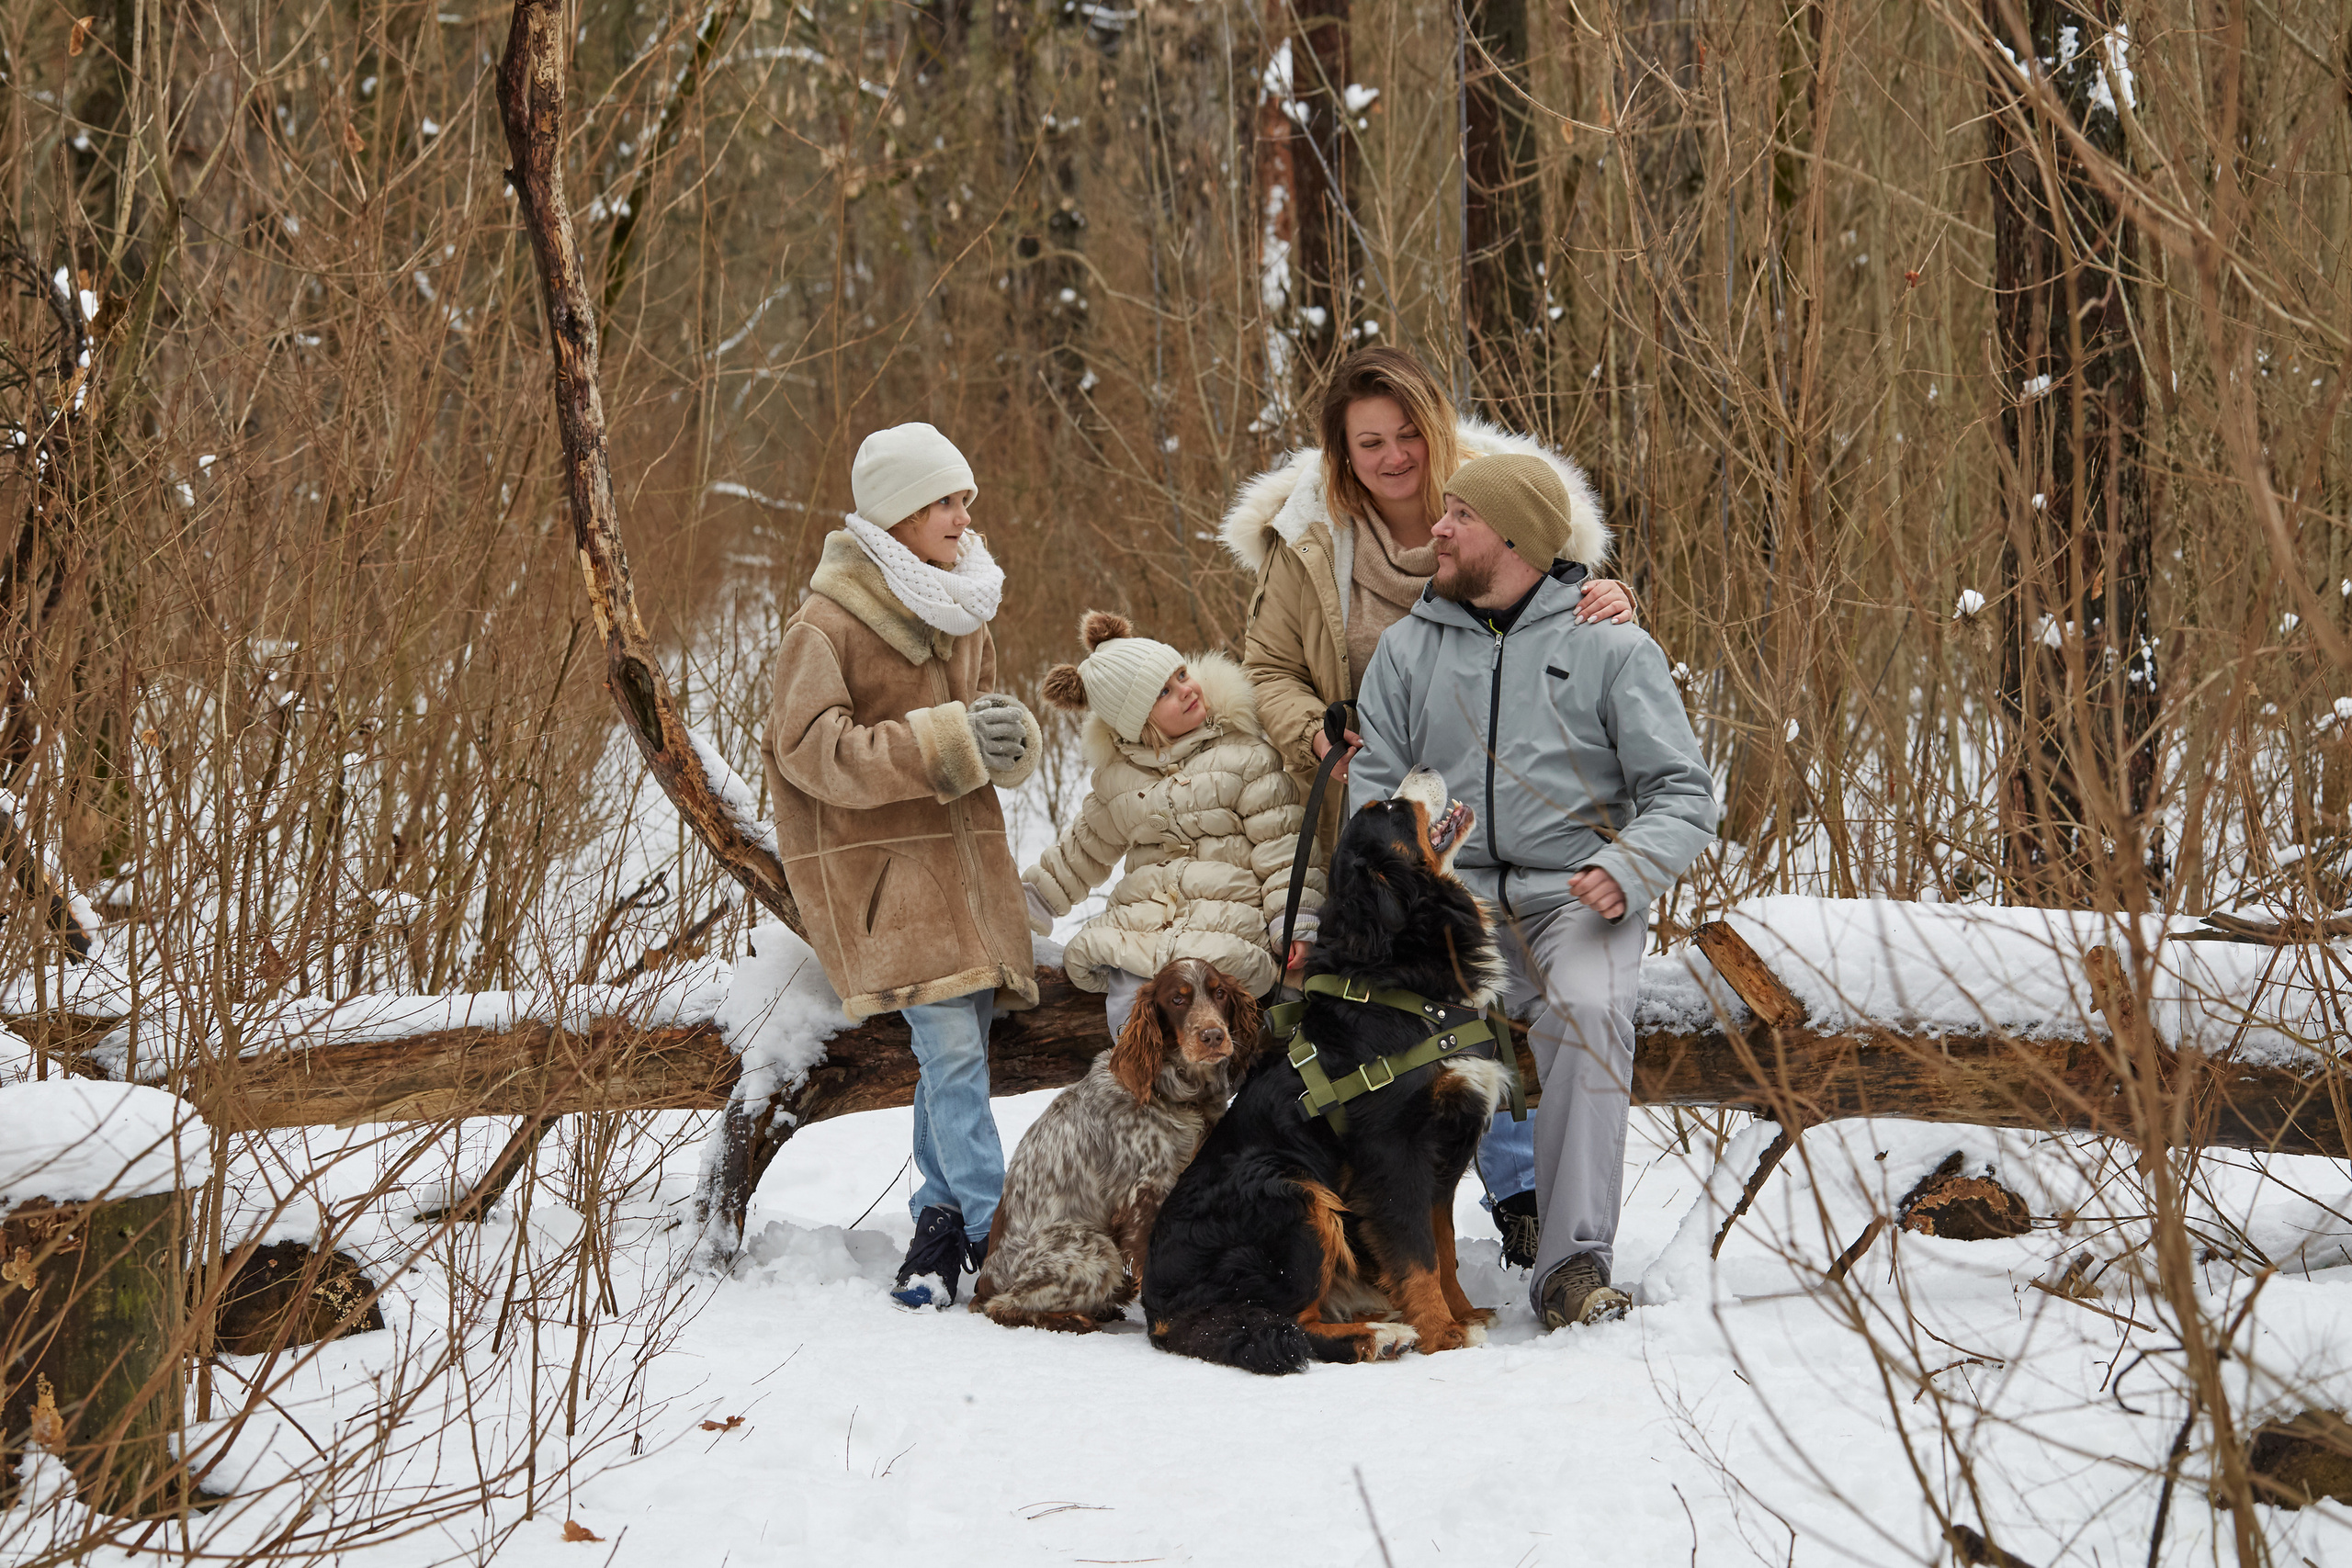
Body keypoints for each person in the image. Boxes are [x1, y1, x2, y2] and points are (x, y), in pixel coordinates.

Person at [1216, 344, 1637, 1267]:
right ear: (1341, 452)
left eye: (1409, 432)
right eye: (1370, 441)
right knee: (1377, 1007)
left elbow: (1573, 615)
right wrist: (1314, 734)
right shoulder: (1310, 546)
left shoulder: (1509, 508)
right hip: (1377, 805)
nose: (1394, 455)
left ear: (1438, 430)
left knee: (1475, 989)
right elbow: (1268, 670)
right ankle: (1343, 1200)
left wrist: (1612, 597)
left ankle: (1519, 1189)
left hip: (1506, 804)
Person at [1347, 452, 1716, 1329]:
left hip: (1573, 899)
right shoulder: (1408, 649)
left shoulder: (1611, 646)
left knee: (1587, 1012)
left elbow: (1686, 794)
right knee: (1377, 1022)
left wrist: (1627, 869)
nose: (1436, 528)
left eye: (1458, 515)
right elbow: (1375, 789)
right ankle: (1378, 1249)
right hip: (1447, 904)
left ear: (1512, 537)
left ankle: (1572, 1264)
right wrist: (1406, 884)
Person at [759, 422, 1044, 1310]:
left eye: (965, 498)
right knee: (955, 1058)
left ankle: (935, 1224)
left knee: (956, 1057)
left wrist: (1007, 738)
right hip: (888, 886)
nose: (966, 515)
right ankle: (1008, 1239)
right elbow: (807, 750)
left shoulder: (961, 603)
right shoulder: (826, 623)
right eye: (947, 501)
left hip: (963, 875)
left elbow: (981, 717)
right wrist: (949, 741)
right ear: (900, 515)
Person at [1022, 613, 1319, 1035]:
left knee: (1198, 1002)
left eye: (1182, 674)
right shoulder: (1118, 781)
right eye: (1164, 691)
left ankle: (1202, 1084)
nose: (1186, 690)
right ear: (1137, 722)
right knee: (1131, 1001)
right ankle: (1140, 1080)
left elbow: (1282, 847)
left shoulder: (1246, 757)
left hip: (1226, 922)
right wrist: (1027, 907)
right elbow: (1079, 855)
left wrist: (1294, 922)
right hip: (1143, 925)